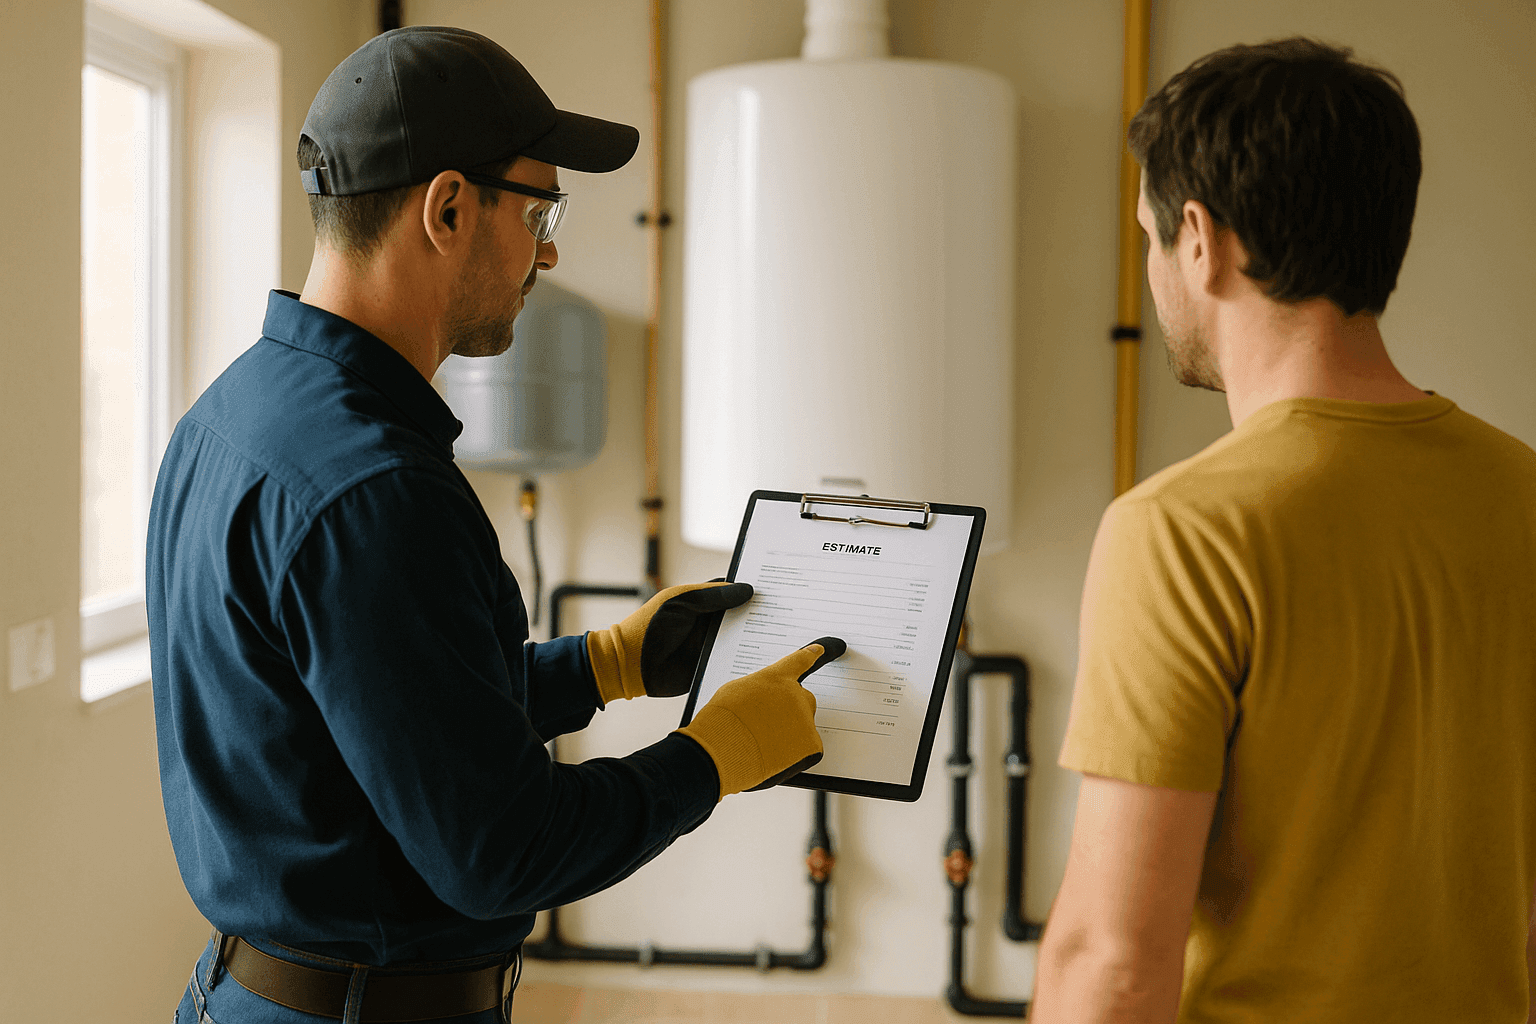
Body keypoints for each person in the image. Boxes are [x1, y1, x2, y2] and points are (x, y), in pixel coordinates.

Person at [147, 26, 841, 1024]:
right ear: (448, 207)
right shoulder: (376, 491)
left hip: (252, 994)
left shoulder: (232, 416)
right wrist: (714, 756)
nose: (550, 249)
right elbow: (499, 849)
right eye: (540, 209)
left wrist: (604, 663)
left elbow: (382, 715)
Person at [1031, 38, 1536, 1024]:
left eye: (1147, 236)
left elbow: (1115, 963)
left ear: (1199, 238)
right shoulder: (1523, 493)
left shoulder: (1181, 534)